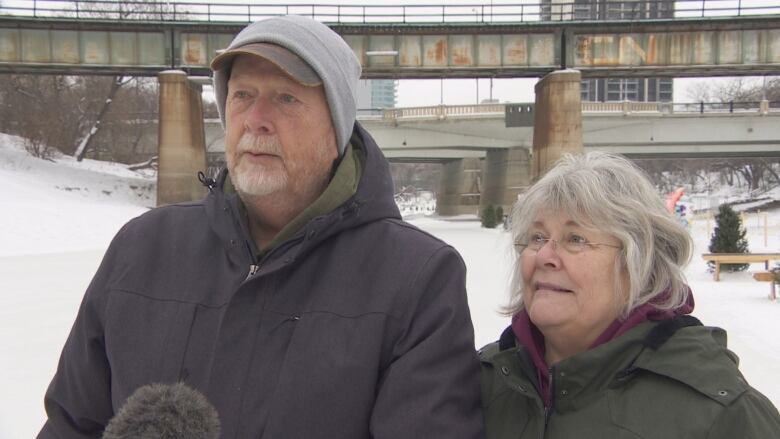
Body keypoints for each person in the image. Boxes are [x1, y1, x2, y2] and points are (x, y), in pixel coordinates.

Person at [39, 16, 483, 438]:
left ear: (337, 130)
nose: (256, 120)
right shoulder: (141, 249)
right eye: (242, 96)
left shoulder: (418, 279)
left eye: (286, 98)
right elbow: (69, 426)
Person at [480, 152, 780, 438]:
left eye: (576, 239)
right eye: (537, 237)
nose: (545, 254)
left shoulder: (720, 414)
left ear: (641, 261)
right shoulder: (478, 383)